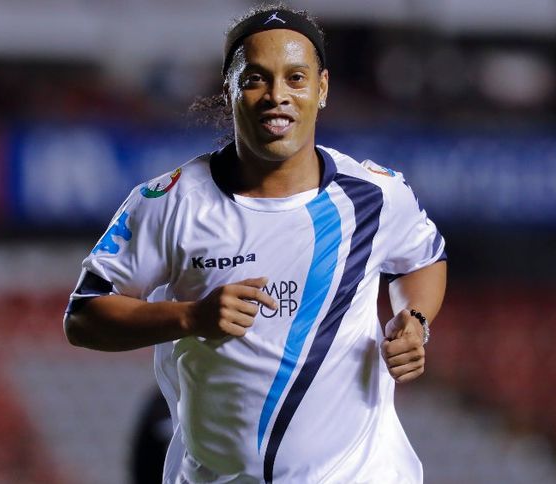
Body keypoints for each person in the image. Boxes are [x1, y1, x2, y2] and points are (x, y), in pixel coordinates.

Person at [64, 4, 447, 483]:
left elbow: (423, 258)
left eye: (295, 78)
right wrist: (191, 317)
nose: (277, 96)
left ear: (322, 88)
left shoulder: (374, 194)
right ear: (228, 90)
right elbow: (83, 317)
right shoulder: (169, 203)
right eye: (255, 79)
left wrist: (414, 319)